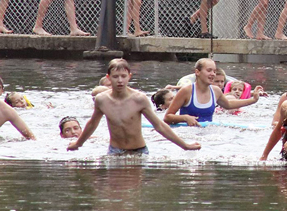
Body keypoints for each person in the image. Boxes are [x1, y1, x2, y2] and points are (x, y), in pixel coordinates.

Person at [68, 59, 201, 154]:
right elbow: (92, 124)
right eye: (115, 77)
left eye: (123, 76)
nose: (120, 80)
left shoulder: (139, 99)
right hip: (115, 151)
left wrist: (185, 146)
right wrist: (78, 143)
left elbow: (159, 125)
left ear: (129, 77)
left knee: (134, 192)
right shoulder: (102, 100)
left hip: (139, 151)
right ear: (108, 78)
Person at [163, 58, 262, 126]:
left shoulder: (215, 91)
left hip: (209, 136)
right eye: (209, 70)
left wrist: (253, 100)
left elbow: (228, 104)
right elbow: (167, 117)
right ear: (197, 72)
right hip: (188, 134)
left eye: (214, 71)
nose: (213, 74)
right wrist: (184, 118)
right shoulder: (186, 91)